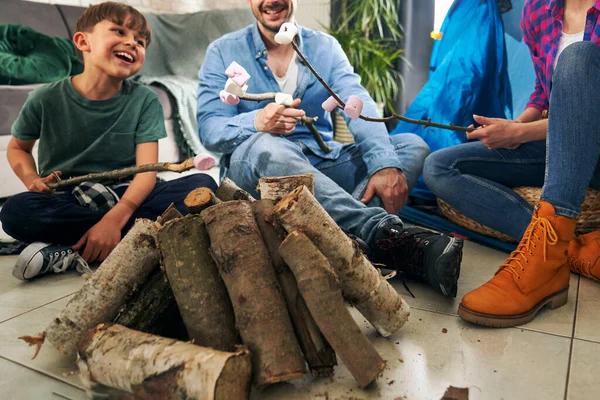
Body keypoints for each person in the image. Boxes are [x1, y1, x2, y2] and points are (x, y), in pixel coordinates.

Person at [197, 0, 464, 297]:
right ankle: (386, 236)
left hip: (319, 161)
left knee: (409, 147)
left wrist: (384, 164)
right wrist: (257, 121)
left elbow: (356, 101)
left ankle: (347, 245)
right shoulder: (223, 51)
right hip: (255, 166)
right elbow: (210, 128)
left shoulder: (324, 47)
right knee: (269, 148)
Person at [0, 2, 217, 281]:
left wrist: (115, 218)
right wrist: (31, 178)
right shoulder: (44, 98)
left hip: (130, 193)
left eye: (140, 41)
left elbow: (147, 172)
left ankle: (68, 245)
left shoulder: (145, 100)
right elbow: (18, 148)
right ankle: (132, 237)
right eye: (119, 31)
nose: (132, 43)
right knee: (15, 211)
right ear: (82, 41)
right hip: (70, 196)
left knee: (203, 185)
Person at [422, 0, 600, 326]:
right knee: (439, 167)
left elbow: (587, 117)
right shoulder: (539, 10)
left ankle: (548, 254)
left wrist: (521, 131)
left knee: (579, 57)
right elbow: (543, 96)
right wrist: (513, 133)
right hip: (554, 145)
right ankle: (560, 251)